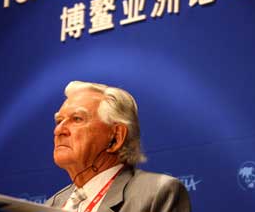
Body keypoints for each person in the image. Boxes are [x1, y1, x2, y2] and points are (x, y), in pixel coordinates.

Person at [45, 81, 191, 212]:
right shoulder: (50, 206)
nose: (58, 131)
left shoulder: (157, 193)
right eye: (59, 121)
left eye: (76, 119)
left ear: (116, 137)